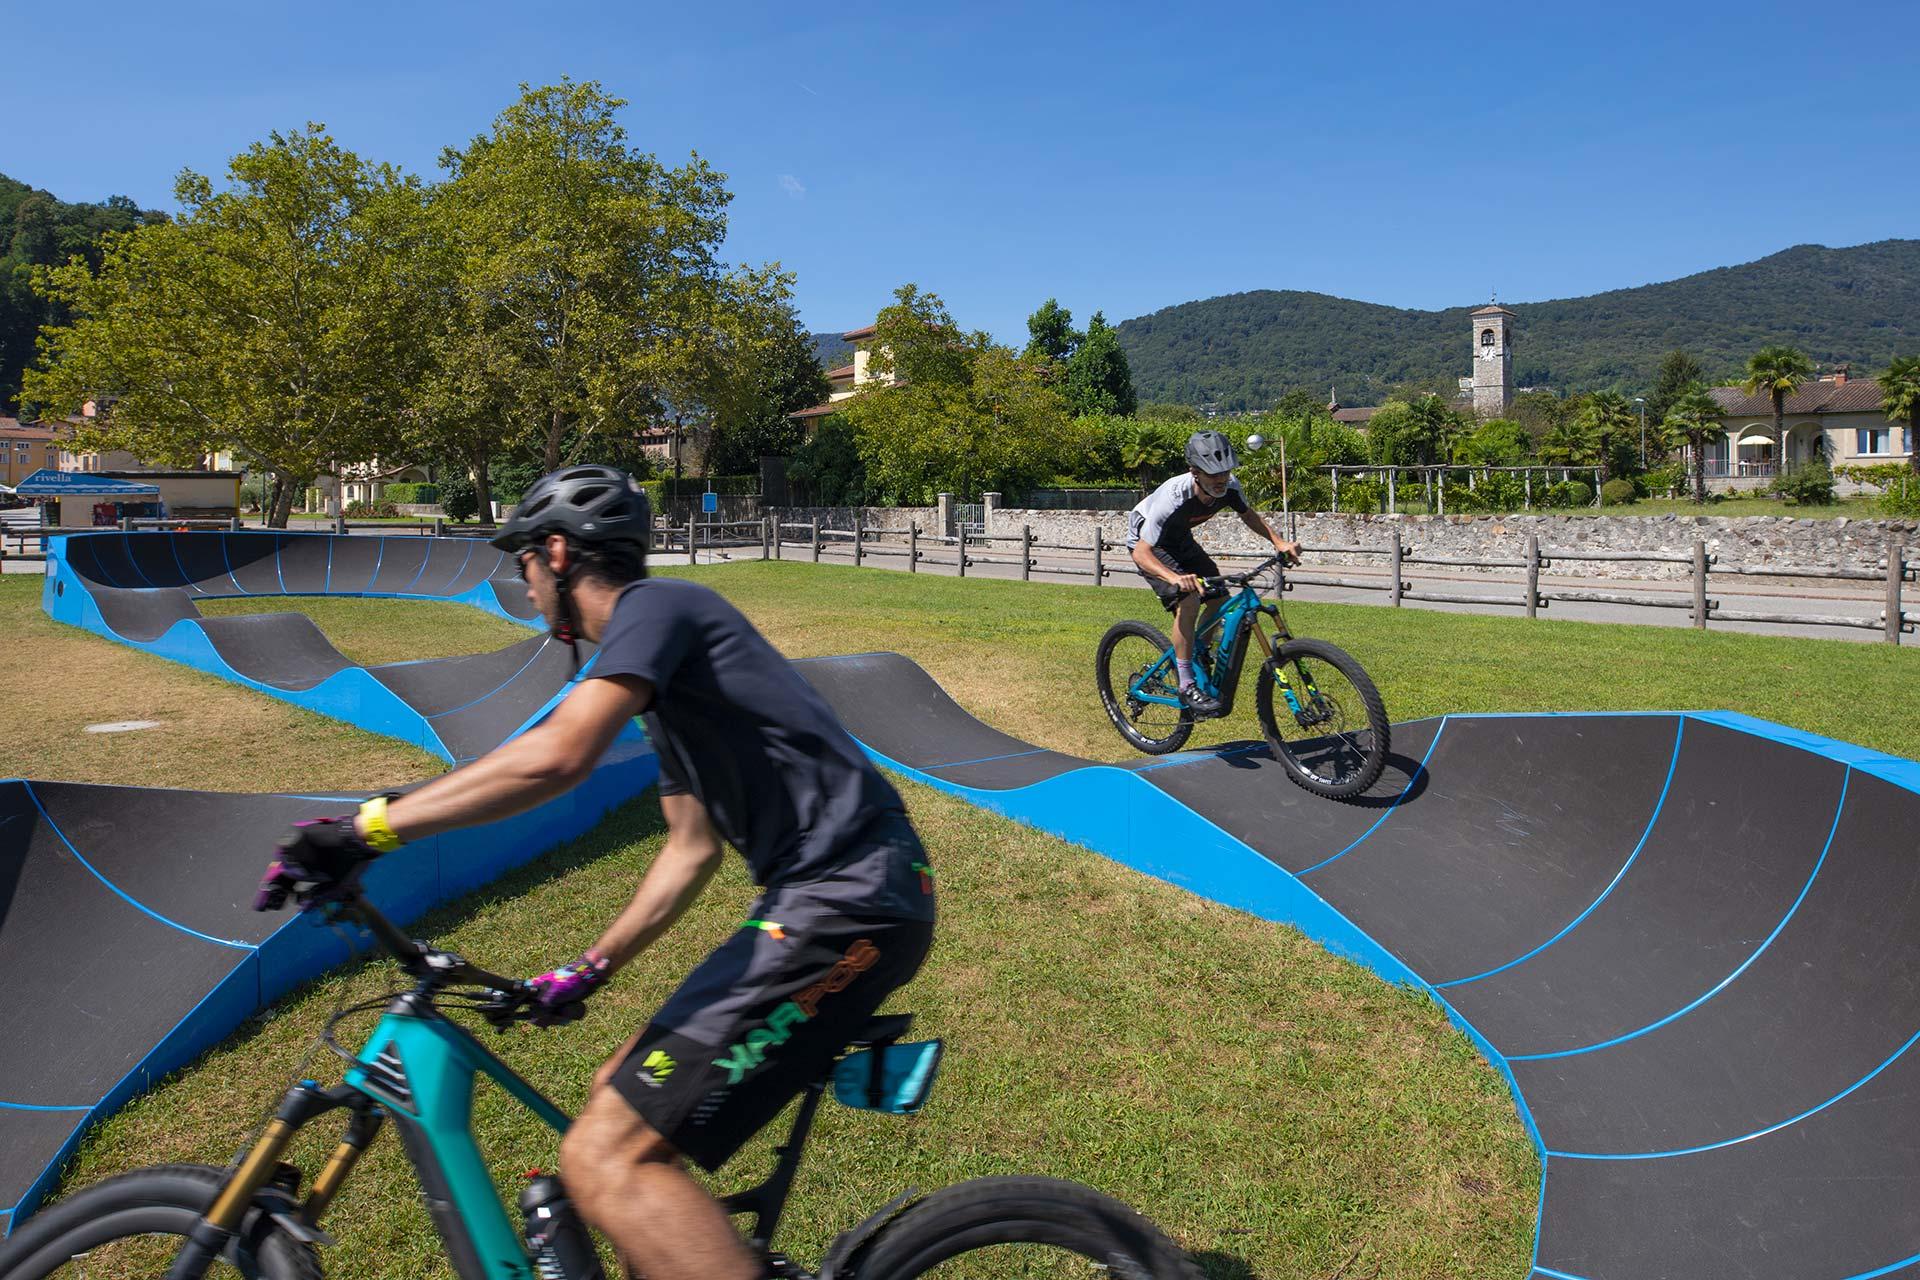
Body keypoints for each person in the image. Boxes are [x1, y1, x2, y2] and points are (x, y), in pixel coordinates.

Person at [254, 465, 935, 1280]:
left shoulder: (659, 608)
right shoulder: (670, 683)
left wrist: (368, 827)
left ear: (557, 553)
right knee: (620, 1099)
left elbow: (557, 754)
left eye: (524, 564)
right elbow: (689, 849)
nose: (524, 582)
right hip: (838, 896)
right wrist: (586, 970)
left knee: (608, 1160)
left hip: (844, 900)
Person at [1126, 431, 1300, 716]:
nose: (1221, 479)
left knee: (1218, 598)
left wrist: (1279, 543)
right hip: (1148, 544)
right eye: (1212, 474)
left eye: (1226, 471)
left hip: (1180, 540)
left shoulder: (1230, 486)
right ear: (1195, 472)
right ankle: (1186, 683)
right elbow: (1140, 552)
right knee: (1190, 599)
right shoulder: (1172, 497)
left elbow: (1249, 515)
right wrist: (1173, 578)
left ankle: (1198, 651)